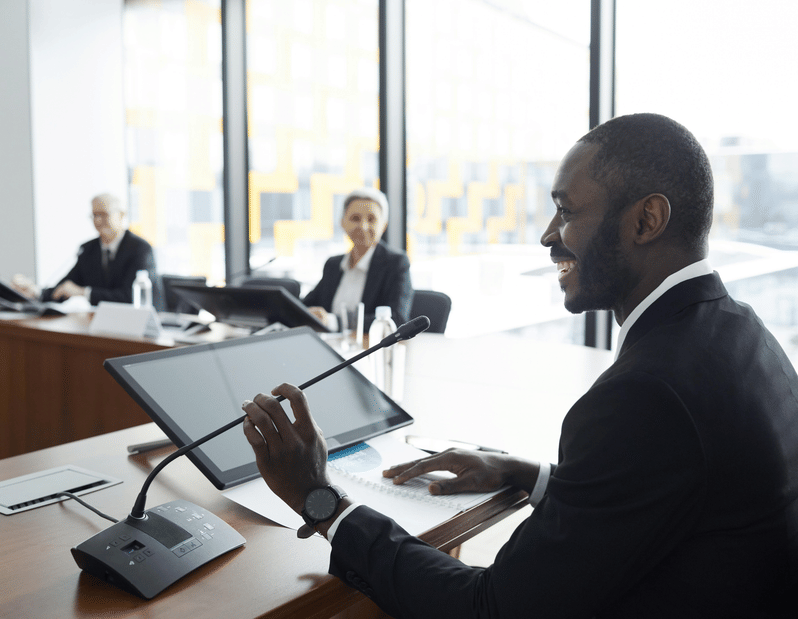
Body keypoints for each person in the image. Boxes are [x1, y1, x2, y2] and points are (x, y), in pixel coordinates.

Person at [241, 114, 798, 617]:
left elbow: (489, 610)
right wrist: (524, 475)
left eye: (566, 211)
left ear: (646, 220)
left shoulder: (644, 394)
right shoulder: (743, 334)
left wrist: (320, 498)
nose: (548, 235)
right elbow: (651, 493)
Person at [12, 193, 157, 305]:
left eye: (104, 214)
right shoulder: (88, 249)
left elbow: (131, 297)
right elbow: (66, 286)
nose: (98, 221)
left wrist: (84, 293)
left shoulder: (140, 249)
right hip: (104, 324)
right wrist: (36, 292)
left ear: (121, 215)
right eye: (94, 215)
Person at [302, 187, 413, 332]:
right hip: (329, 345)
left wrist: (334, 322)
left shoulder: (396, 263)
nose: (363, 226)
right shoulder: (333, 265)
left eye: (371, 219)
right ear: (342, 223)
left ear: (384, 225)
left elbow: (397, 318)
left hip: (368, 348)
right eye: (355, 218)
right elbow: (306, 305)